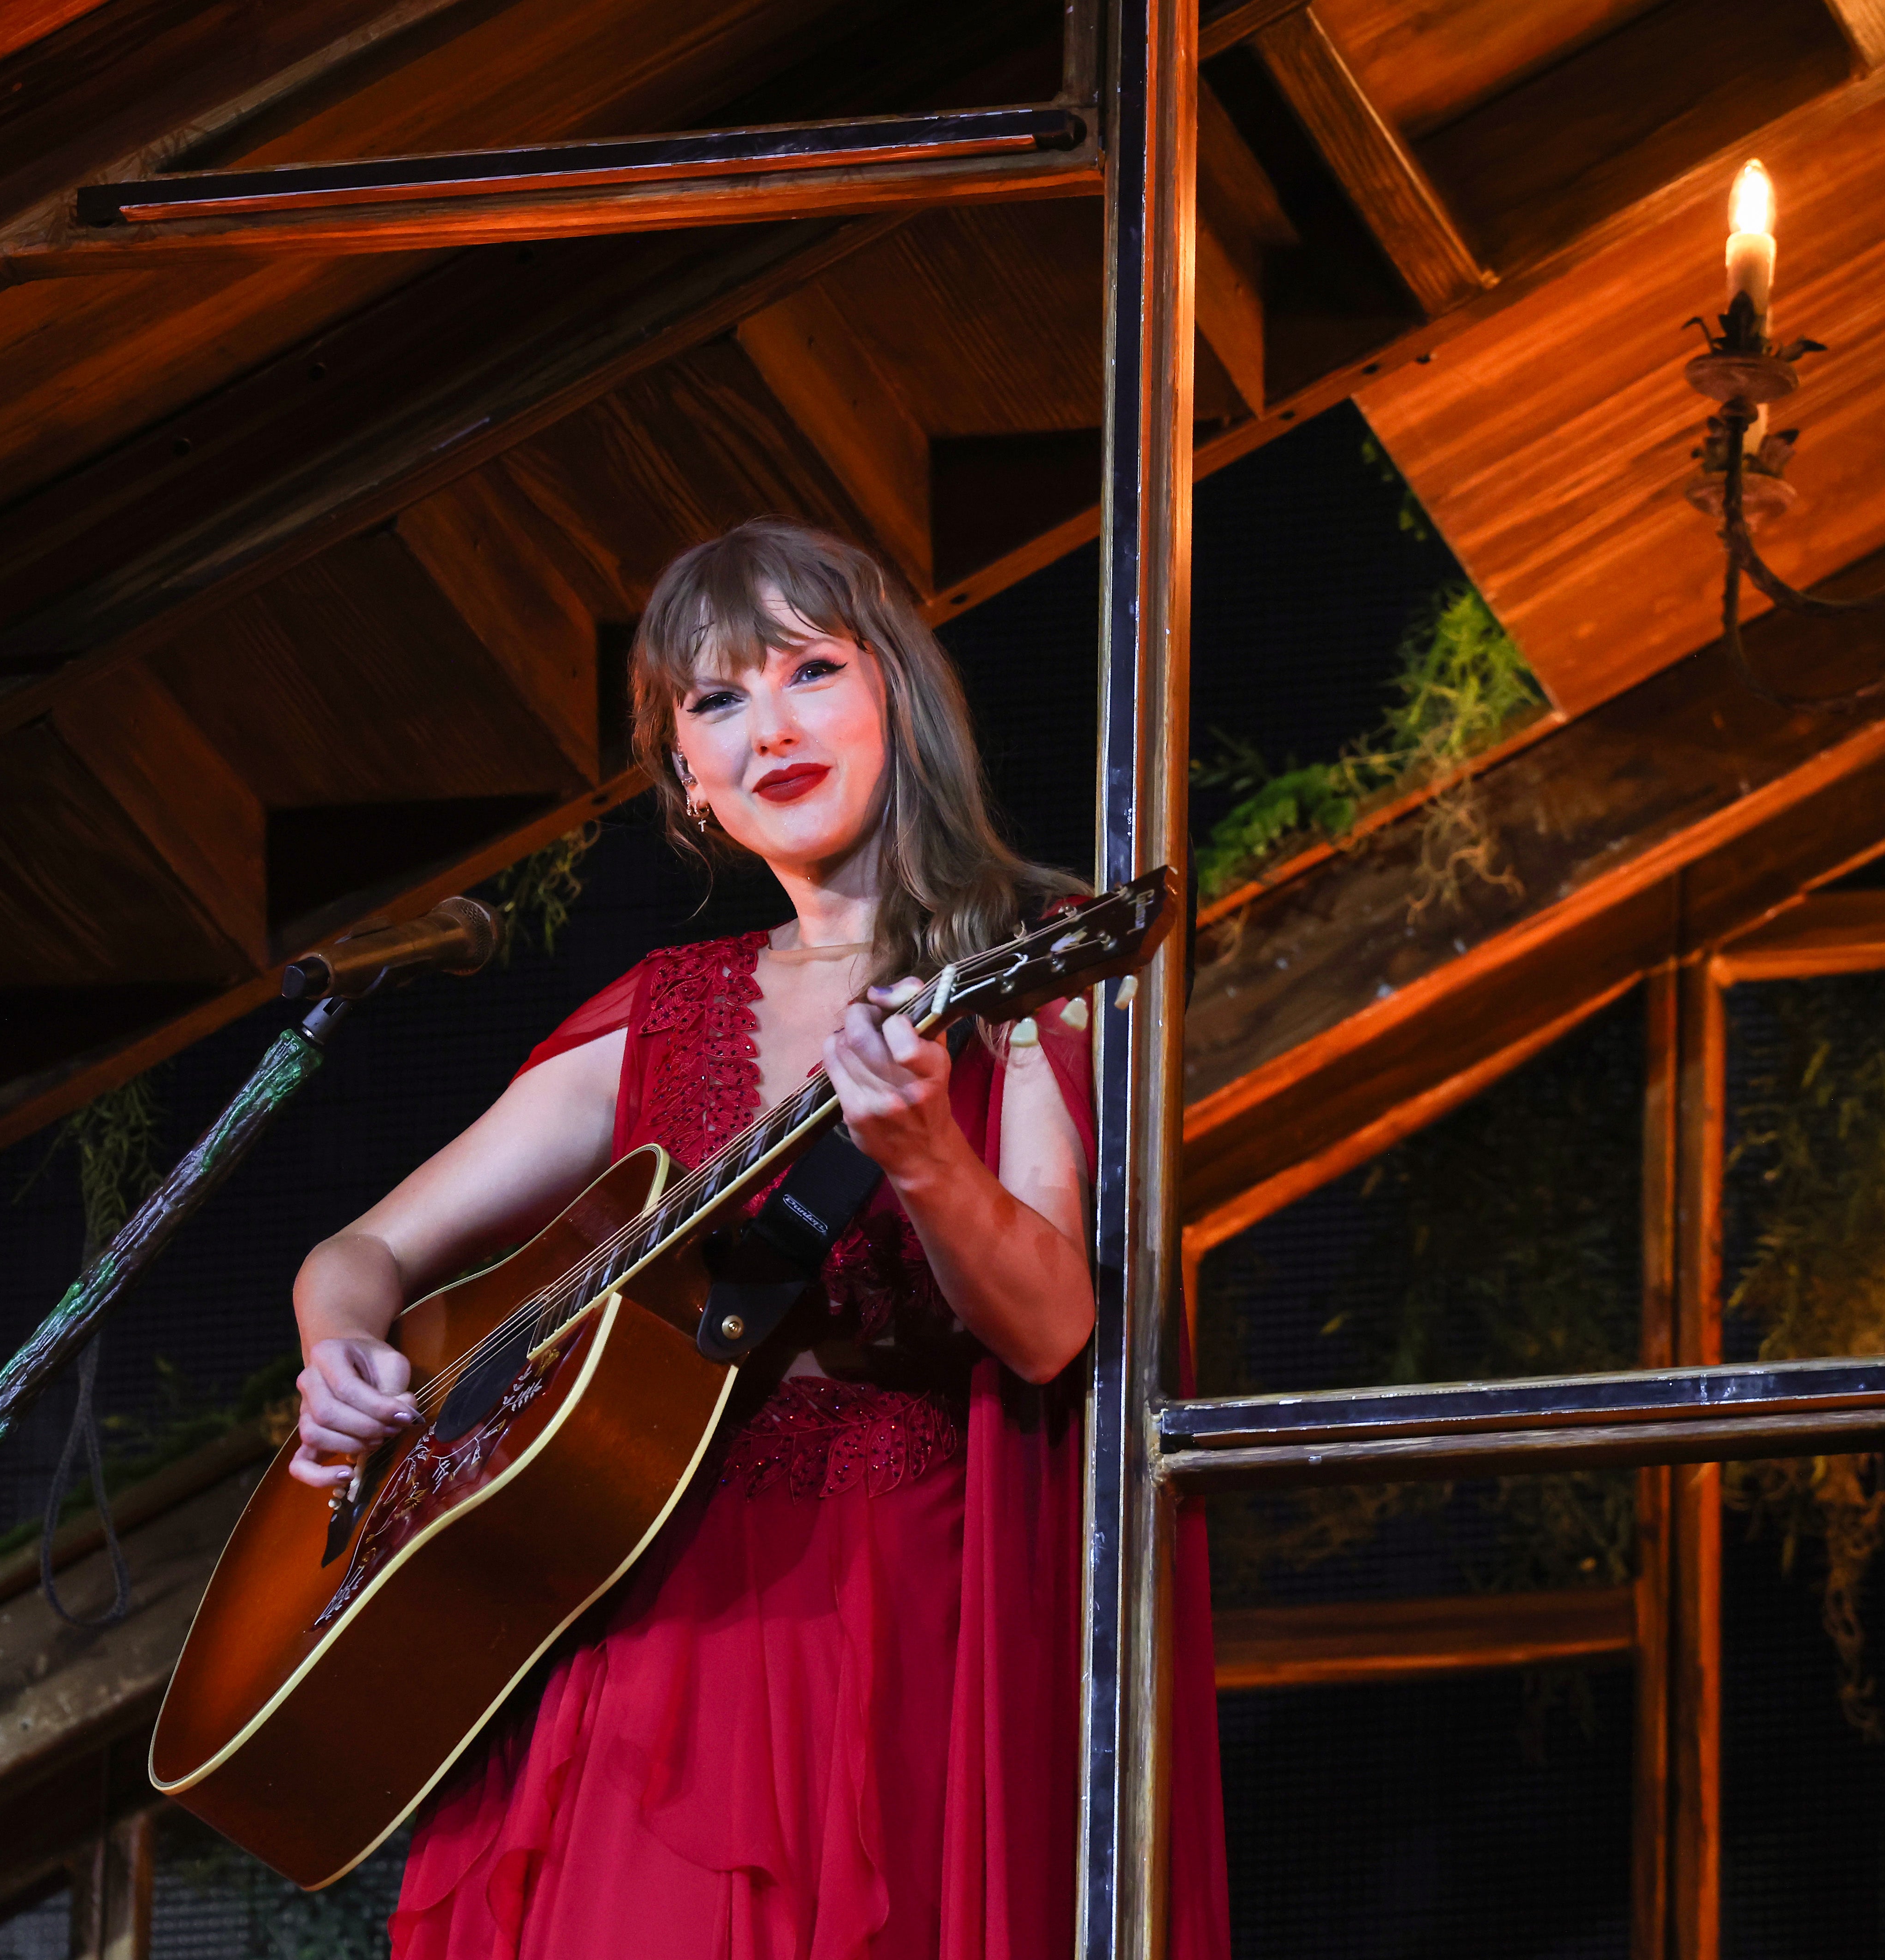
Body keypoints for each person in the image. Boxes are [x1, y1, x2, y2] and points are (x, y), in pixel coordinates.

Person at [285, 517, 1230, 1958]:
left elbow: (1047, 1323)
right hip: (628, 1599)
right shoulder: (663, 1006)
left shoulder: (1036, 962)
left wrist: (920, 1153)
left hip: (885, 1612)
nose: (766, 726)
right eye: (715, 700)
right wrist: (338, 1350)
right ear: (684, 777)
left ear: (895, 697)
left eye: (807, 671)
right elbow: (358, 1252)